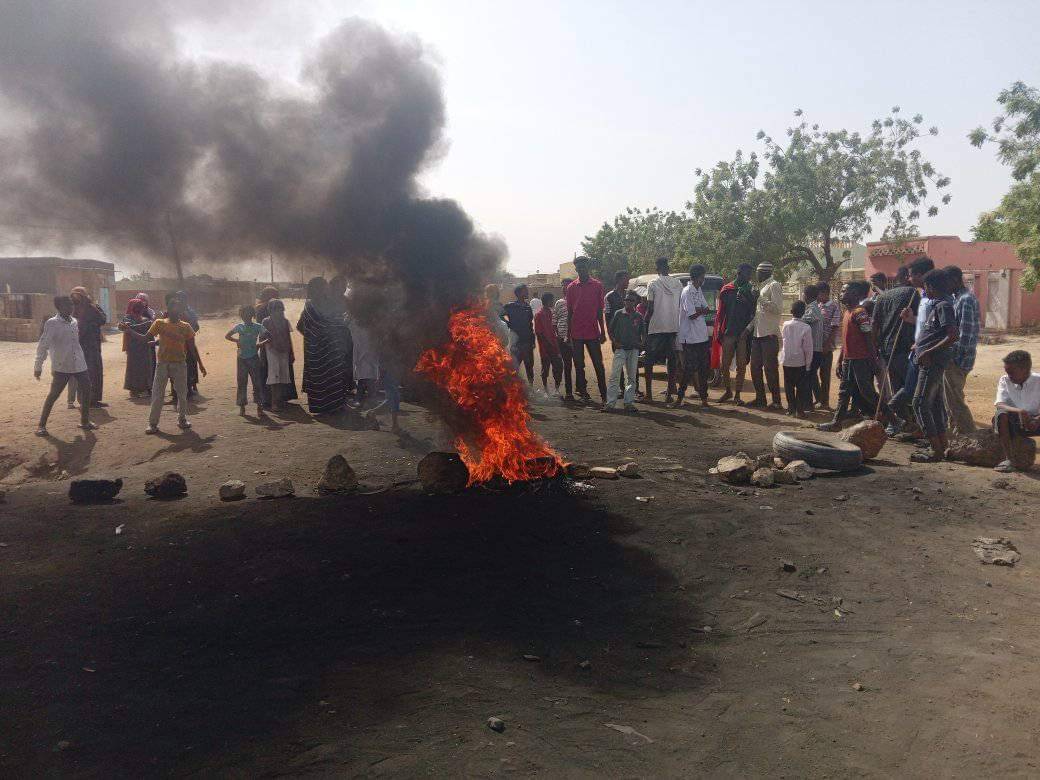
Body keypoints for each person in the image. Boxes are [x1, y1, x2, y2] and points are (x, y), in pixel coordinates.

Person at [121, 292, 207, 434]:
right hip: (163, 364)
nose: (175, 312)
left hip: (179, 363)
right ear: (168, 309)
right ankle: (153, 423)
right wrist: (129, 331)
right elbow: (144, 338)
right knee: (157, 394)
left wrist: (201, 365)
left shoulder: (186, 327)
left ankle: (182, 419)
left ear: (180, 311)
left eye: (177, 309)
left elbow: (192, 348)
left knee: (182, 394)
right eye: (172, 308)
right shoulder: (159, 323)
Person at [819, 281, 894, 432]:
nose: (841, 294)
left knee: (866, 391)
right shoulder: (846, 313)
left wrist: (873, 360)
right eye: (841, 291)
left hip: (861, 360)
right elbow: (846, 341)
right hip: (849, 360)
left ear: (855, 294)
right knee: (844, 391)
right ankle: (836, 422)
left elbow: (868, 337)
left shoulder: (860, 312)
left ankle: (893, 418)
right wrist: (841, 360)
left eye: (844, 291)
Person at [907, 269, 959, 463]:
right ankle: (942, 446)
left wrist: (928, 352)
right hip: (928, 359)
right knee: (935, 404)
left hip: (933, 361)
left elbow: (952, 335)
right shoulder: (938, 305)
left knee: (919, 402)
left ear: (931, 287)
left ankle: (935, 449)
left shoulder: (944, 305)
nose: (924, 290)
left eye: (926, 287)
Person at [34, 295, 97, 435]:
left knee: (87, 389)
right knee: (53, 395)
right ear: (59, 307)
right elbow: (43, 345)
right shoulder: (52, 323)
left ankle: (84, 421)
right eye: (67, 305)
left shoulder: (74, 321)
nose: (71, 307)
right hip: (62, 365)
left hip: (79, 363)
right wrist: (38, 366)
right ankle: (41, 426)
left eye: (71, 305)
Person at [886, 257, 937, 430]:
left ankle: (889, 412)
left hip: (930, 353)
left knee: (921, 394)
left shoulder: (937, 298)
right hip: (918, 351)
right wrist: (911, 319)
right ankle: (924, 431)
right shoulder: (921, 295)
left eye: (910, 275)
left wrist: (925, 345)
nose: (908, 279)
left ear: (921, 275)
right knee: (918, 393)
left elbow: (943, 329)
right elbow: (926, 324)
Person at [871, 269, 920, 434]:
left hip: (886, 348)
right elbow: (920, 320)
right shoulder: (912, 292)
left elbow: (874, 325)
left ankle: (901, 422)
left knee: (898, 385)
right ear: (907, 277)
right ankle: (888, 412)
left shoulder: (882, 297)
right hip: (904, 347)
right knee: (911, 387)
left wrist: (875, 347)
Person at [297, 277, 347, 415]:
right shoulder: (310, 306)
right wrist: (314, 338)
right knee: (320, 377)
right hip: (317, 351)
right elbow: (303, 325)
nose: (328, 288)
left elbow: (338, 319)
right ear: (317, 288)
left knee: (335, 375)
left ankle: (336, 405)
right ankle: (323, 408)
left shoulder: (329, 303)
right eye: (324, 286)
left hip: (332, 348)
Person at [565, 257, 608, 405]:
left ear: (587, 267)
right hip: (576, 333)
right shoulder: (571, 288)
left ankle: (604, 396)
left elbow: (599, 310)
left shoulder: (597, 285)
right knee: (579, 365)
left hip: (592, 332)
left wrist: (603, 331)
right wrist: (568, 335)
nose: (581, 269)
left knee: (598, 364)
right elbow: (570, 312)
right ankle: (584, 394)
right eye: (579, 267)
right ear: (576, 269)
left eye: (584, 266)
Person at [944, 265, 979, 435]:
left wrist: (954, 358)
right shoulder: (957, 298)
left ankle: (969, 435)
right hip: (955, 358)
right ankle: (956, 434)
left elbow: (966, 335)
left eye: (946, 282)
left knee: (955, 400)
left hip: (958, 359)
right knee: (950, 400)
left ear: (955, 280)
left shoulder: (965, 299)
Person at [715, 263, 757, 404]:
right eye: (747, 273)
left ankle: (737, 395)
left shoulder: (751, 291)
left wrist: (747, 302)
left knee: (741, 365)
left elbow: (754, 312)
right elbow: (720, 313)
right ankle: (728, 391)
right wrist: (719, 331)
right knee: (724, 364)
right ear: (739, 272)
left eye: (750, 273)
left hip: (743, 334)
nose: (749, 276)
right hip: (729, 332)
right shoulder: (727, 290)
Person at [644, 256, 683, 403]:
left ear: (657, 268)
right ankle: (669, 394)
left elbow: (650, 308)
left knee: (649, 360)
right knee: (671, 359)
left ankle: (649, 394)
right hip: (673, 327)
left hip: (656, 328)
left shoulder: (652, 283)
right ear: (668, 268)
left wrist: (644, 323)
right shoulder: (678, 283)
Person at [993, 350, 1040, 473]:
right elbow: (1000, 404)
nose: (1009, 375)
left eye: (1011, 372)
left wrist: (1037, 419)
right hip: (1014, 422)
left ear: (1024, 369)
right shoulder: (1005, 380)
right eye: (1007, 372)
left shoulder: (1038, 380)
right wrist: (1020, 411)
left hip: (1035, 420)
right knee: (1001, 414)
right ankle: (1009, 459)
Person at [675, 264, 711, 408]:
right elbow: (691, 314)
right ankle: (679, 398)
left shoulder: (698, 290)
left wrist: (700, 310)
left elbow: (706, 309)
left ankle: (704, 399)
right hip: (689, 338)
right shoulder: (687, 291)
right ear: (697, 277)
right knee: (689, 369)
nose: (704, 279)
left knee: (703, 368)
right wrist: (700, 310)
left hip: (701, 336)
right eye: (702, 277)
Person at [748, 261, 783, 409]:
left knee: (770, 369)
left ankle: (776, 402)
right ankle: (760, 398)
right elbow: (759, 315)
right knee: (755, 368)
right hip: (757, 334)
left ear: (765, 272)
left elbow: (777, 309)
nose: (756, 274)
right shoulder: (761, 287)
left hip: (769, 335)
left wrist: (760, 298)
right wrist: (749, 328)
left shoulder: (774, 285)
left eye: (758, 272)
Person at [255, 286, 298, 403]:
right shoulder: (269, 308)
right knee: (278, 372)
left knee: (270, 371)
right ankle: (278, 398)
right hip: (275, 345)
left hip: (269, 345)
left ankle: (269, 398)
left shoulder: (260, 308)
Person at [68, 286, 107, 408]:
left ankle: (92, 399)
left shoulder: (84, 308)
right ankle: (87, 400)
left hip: (90, 345)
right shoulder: (84, 309)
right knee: (88, 373)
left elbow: (102, 320)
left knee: (93, 372)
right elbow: (102, 319)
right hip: (85, 346)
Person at [225, 304, 268, 416]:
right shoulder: (239, 327)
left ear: (252, 315)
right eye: (244, 314)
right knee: (242, 382)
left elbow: (269, 336)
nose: (246, 316)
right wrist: (236, 341)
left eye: (249, 314)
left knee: (257, 383)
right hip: (241, 358)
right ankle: (242, 406)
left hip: (254, 357)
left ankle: (259, 406)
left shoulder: (258, 326)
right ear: (241, 315)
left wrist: (260, 344)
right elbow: (227, 336)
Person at [605, 290, 643, 412]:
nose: (628, 302)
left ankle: (628, 402)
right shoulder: (618, 314)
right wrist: (614, 342)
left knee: (631, 377)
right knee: (614, 376)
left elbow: (643, 333)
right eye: (627, 300)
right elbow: (610, 330)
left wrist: (641, 344)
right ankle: (610, 403)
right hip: (620, 348)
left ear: (635, 302)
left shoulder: (639, 317)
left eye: (631, 300)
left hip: (633, 350)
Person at [780, 300, 814, 417]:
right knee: (801, 387)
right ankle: (800, 410)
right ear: (804, 312)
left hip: (787, 360)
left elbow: (783, 342)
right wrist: (808, 365)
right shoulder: (806, 327)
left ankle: (791, 409)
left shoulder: (785, 325)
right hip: (800, 362)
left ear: (791, 312)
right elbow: (808, 348)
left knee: (788, 385)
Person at [260, 298, 295, 413]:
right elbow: (262, 338)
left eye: (280, 309)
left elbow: (288, 338)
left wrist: (291, 352)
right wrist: (262, 355)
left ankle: (280, 400)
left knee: (283, 376)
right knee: (274, 376)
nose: (278, 312)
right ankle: (274, 403)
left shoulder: (285, 321)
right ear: (270, 310)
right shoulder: (266, 321)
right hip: (271, 351)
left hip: (284, 351)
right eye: (275, 309)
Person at [121, 298, 156, 398]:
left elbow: (145, 327)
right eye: (137, 306)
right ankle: (134, 390)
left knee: (144, 368)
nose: (139, 309)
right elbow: (123, 327)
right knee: (134, 369)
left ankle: (144, 388)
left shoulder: (146, 319)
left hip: (144, 347)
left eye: (140, 307)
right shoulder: (127, 318)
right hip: (134, 348)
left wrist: (130, 328)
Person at [502, 284, 535, 385]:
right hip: (516, 342)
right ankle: (514, 390)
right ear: (519, 293)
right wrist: (509, 324)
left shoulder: (528, 307)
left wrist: (533, 341)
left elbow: (530, 324)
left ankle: (531, 388)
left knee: (529, 366)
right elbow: (500, 315)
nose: (527, 292)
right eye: (525, 290)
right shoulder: (510, 306)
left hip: (527, 342)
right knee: (515, 367)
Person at [604, 270, 630, 394]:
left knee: (631, 363)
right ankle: (621, 388)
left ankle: (632, 389)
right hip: (617, 335)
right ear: (619, 280)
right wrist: (612, 337)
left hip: (630, 335)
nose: (628, 282)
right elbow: (607, 319)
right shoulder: (609, 297)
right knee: (619, 362)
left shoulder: (629, 295)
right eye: (626, 279)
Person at [816, 282, 842, 409]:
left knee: (825, 374)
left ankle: (824, 402)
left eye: (819, 293)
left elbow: (835, 326)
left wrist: (827, 344)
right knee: (812, 374)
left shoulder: (834, 306)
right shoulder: (817, 305)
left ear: (825, 293)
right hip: (816, 346)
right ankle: (818, 398)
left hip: (826, 347)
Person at [534, 292, 564, 397]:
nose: (553, 301)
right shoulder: (539, 315)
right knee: (545, 369)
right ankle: (546, 390)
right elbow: (539, 333)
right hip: (545, 348)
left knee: (559, 367)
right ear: (548, 301)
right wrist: (548, 345)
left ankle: (556, 389)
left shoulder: (551, 313)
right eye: (552, 299)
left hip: (554, 346)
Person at [552, 279, 574, 400]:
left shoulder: (576, 301)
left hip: (575, 338)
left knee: (576, 364)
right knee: (564, 365)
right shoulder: (559, 303)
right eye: (562, 286)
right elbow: (554, 320)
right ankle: (565, 391)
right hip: (561, 338)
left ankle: (578, 390)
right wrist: (557, 335)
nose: (564, 288)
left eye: (566, 286)